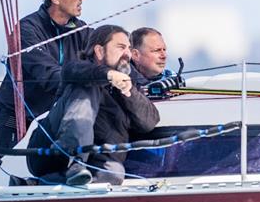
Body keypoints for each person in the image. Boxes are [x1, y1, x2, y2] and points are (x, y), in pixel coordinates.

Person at [0, 0, 92, 169]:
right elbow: (47, 74)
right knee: (2, 180)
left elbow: (105, 50)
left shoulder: (81, 31)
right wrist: (86, 82)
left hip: (50, 123)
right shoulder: (27, 29)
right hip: (15, 122)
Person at [26, 25, 160, 185]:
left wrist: (129, 92)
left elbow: (149, 122)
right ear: (99, 51)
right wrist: (108, 75)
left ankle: (40, 184)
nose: (127, 54)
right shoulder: (78, 70)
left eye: (129, 48)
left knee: (113, 175)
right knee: (88, 87)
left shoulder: (132, 83)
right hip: (53, 153)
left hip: (97, 160)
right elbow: (73, 70)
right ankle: (76, 159)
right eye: (121, 47)